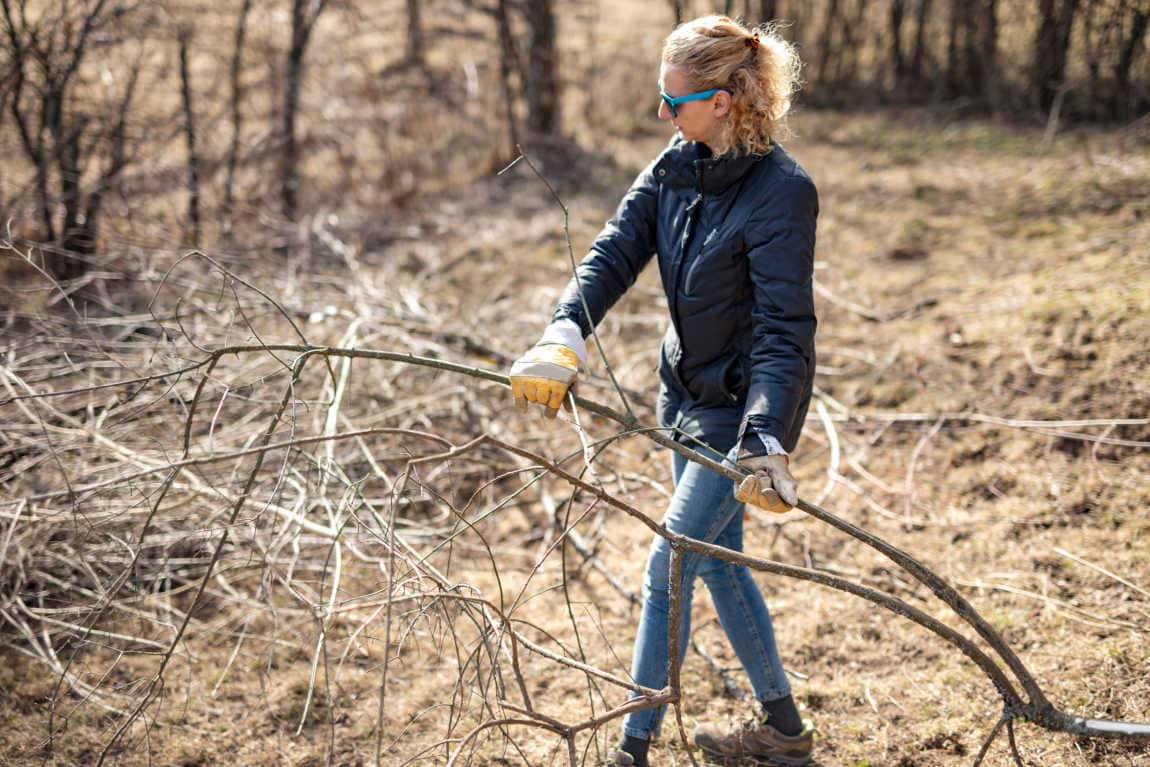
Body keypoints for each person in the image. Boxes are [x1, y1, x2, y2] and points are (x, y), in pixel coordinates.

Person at [508, 15, 817, 767]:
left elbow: (784, 330)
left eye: (672, 100)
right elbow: (615, 249)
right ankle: (785, 734)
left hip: (735, 417)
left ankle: (630, 749)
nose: (661, 113)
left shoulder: (783, 193)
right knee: (717, 561)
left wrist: (766, 437)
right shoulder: (679, 163)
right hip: (680, 396)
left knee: (672, 559)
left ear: (725, 100)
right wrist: (565, 332)